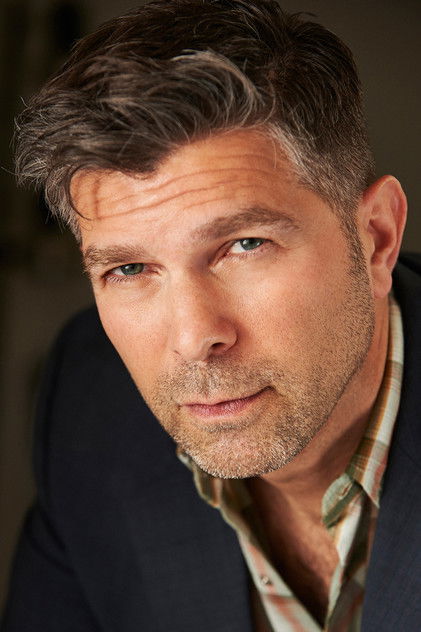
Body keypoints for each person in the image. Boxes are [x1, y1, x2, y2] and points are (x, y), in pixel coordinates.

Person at [2, 1, 420, 630]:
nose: (196, 337)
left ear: (377, 238)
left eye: (244, 245)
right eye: (130, 269)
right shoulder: (90, 410)